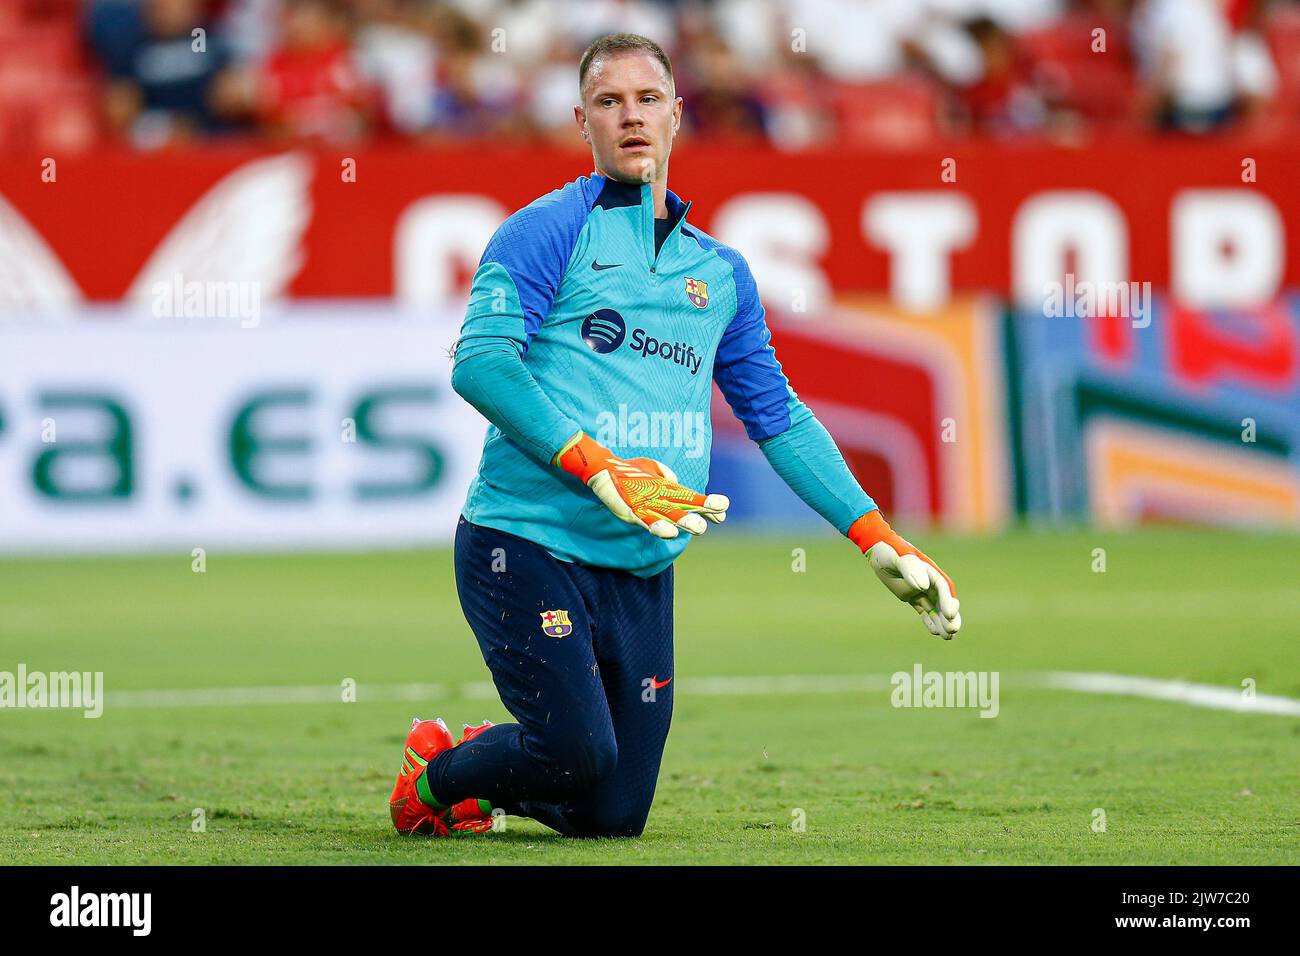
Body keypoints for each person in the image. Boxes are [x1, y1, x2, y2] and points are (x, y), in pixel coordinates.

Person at [388, 32, 962, 839]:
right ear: (580, 120)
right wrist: (596, 465)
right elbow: (481, 364)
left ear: (677, 116)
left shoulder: (720, 272)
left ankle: (500, 756)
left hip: (642, 567)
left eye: (647, 100)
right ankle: (436, 777)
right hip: (524, 545)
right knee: (579, 752)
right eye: (609, 102)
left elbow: (780, 416)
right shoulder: (548, 229)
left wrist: (875, 535)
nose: (630, 118)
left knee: (612, 816)